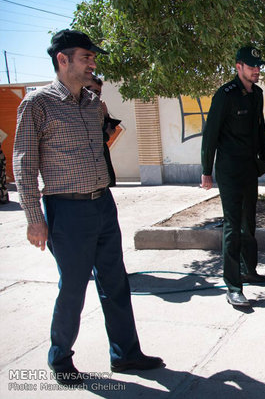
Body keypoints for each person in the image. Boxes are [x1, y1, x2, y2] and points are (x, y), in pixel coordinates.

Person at [13, 29, 163, 386]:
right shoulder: (37, 105)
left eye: (93, 58)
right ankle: (60, 357)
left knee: (116, 282)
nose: (92, 63)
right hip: (66, 211)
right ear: (62, 60)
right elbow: (24, 164)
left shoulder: (94, 105)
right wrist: (35, 219)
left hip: (102, 205)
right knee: (74, 286)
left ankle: (126, 354)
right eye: (86, 57)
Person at [201, 46, 265, 308]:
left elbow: (259, 129)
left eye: (259, 66)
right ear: (238, 66)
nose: (257, 70)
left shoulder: (257, 94)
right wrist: (206, 171)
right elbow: (210, 134)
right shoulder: (225, 95)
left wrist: (262, 159)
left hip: (249, 167)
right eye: (252, 66)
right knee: (232, 226)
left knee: (249, 222)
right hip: (229, 169)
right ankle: (233, 286)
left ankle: (248, 270)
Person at [86, 76, 120, 187]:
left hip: (102, 170)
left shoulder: (97, 109)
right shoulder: (76, 113)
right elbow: (90, 140)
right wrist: (106, 135)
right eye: (93, 91)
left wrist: (105, 114)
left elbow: (109, 127)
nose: (95, 96)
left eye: (98, 93)